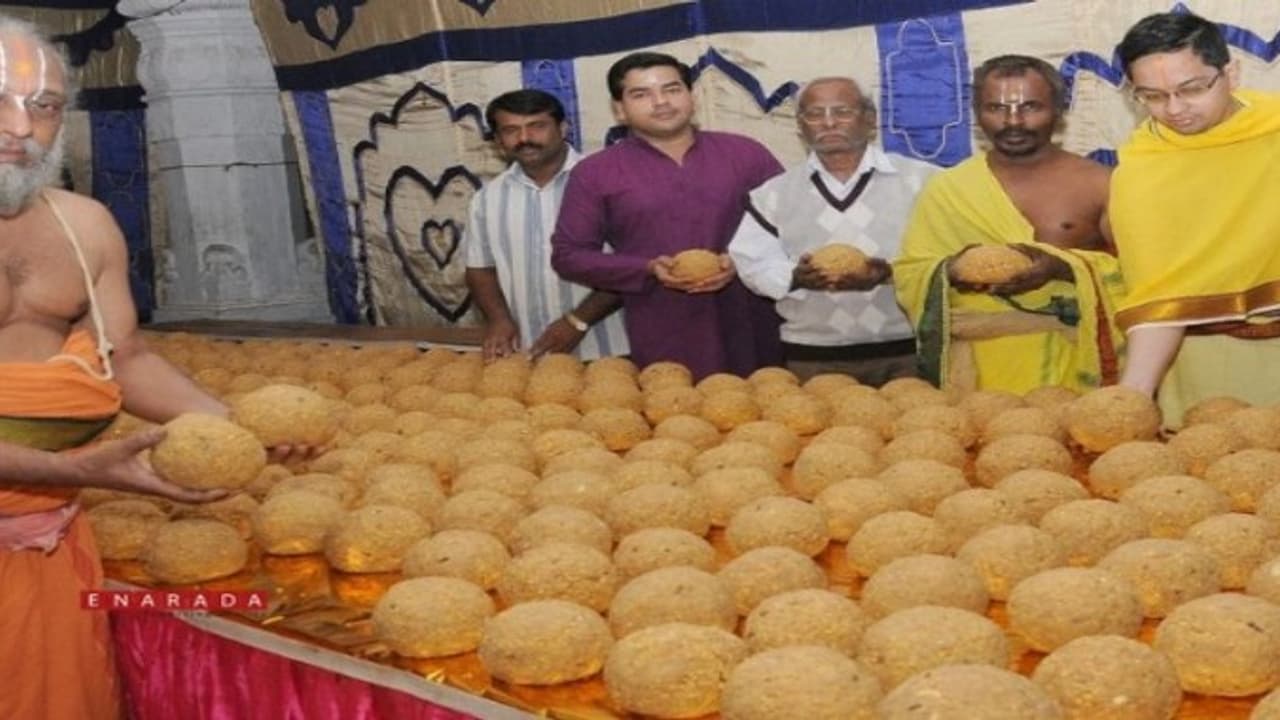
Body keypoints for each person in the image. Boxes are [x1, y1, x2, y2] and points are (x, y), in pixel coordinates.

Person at [0, 18, 299, 720]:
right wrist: (76, 468)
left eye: (43, 105)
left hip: (47, 540)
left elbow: (124, 356)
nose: (20, 127)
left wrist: (235, 429)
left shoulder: (84, 225)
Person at [893, 55, 1125, 395]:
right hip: (978, 375)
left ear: (1059, 110)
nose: (1013, 121)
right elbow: (910, 271)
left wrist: (1063, 267)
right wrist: (951, 270)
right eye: (996, 108)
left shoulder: (1101, 183)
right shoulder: (948, 188)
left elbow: (1139, 275)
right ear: (977, 114)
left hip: (1072, 369)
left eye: (1030, 107)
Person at [550, 51, 784, 379]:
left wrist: (741, 261)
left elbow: (790, 227)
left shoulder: (746, 154)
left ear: (691, 96)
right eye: (641, 94)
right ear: (619, 110)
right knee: (675, 406)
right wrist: (647, 268)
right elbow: (569, 256)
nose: (661, 102)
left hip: (752, 323)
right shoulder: (595, 173)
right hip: (665, 328)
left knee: (767, 405)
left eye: (672, 89)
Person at [1111, 12, 1280, 426]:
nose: (1175, 109)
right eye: (1152, 96)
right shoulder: (1141, 170)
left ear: (1231, 74)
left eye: (1191, 89)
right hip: (1197, 360)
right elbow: (1160, 293)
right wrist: (1131, 399)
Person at [728, 76, 937, 385]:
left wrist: (889, 273)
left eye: (842, 111)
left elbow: (947, 254)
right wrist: (796, 277)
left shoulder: (924, 181)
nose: (828, 123)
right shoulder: (773, 194)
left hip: (909, 350)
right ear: (800, 125)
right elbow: (752, 261)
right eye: (814, 114)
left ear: (870, 119)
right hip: (813, 356)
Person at [463, 89, 629, 361]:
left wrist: (578, 320)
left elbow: (631, 263)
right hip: (529, 353)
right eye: (511, 130)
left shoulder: (610, 182)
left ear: (563, 128)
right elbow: (480, 269)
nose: (524, 138)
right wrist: (499, 320)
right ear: (498, 141)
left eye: (537, 126)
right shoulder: (487, 199)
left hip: (610, 351)